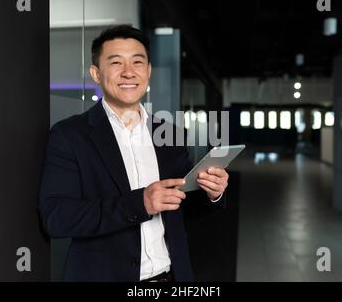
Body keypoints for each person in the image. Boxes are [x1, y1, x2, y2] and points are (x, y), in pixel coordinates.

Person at [38, 25, 229, 282]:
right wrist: (140, 204)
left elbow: (185, 208)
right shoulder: (70, 135)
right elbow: (57, 218)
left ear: (148, 71)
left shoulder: (170, 134)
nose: (129, 72)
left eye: (137, 62)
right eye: (116, 63)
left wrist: (212, 193)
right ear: (96, 73)